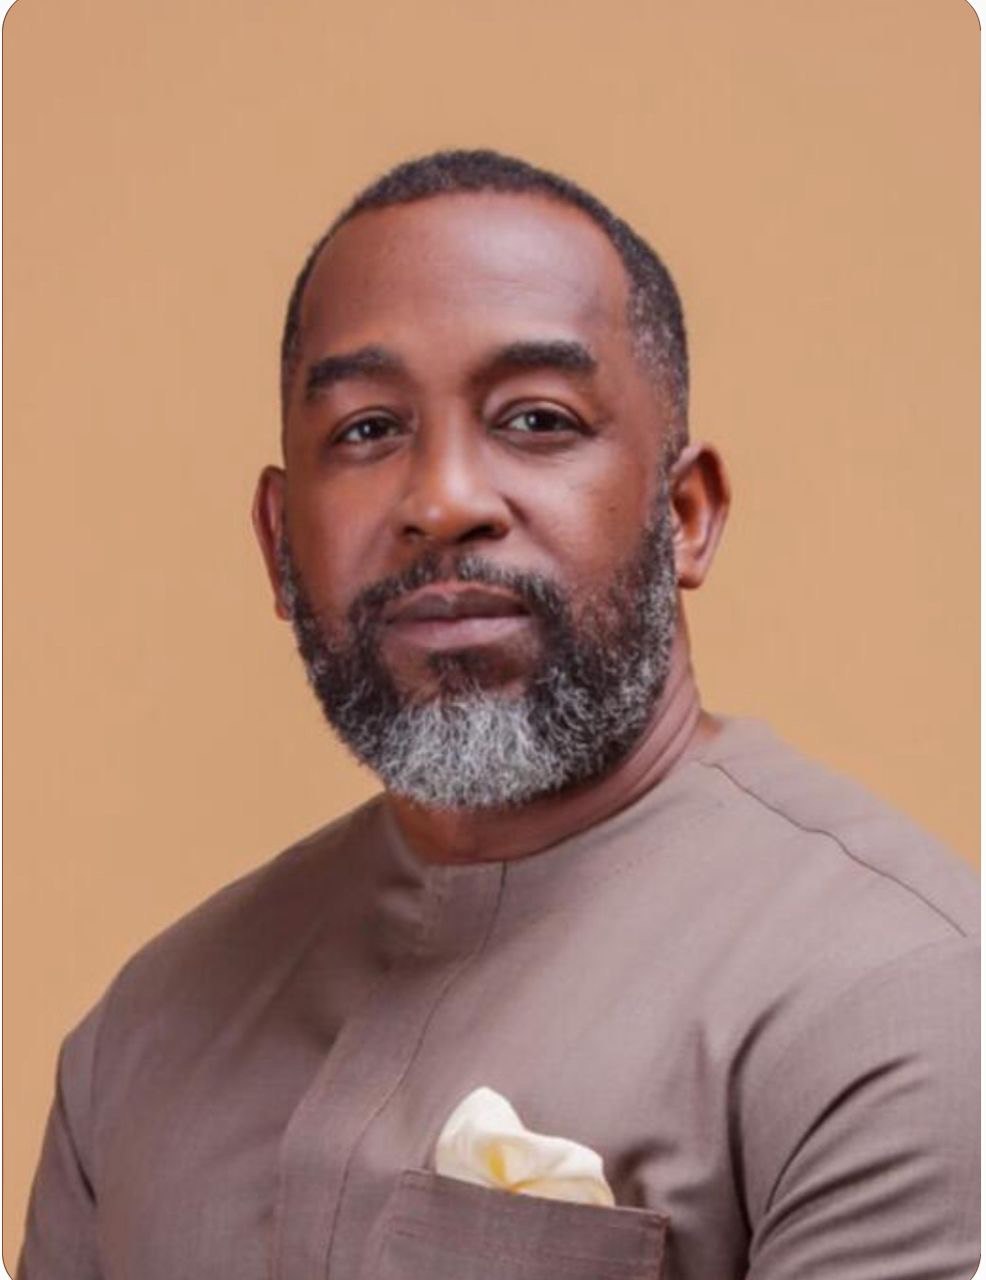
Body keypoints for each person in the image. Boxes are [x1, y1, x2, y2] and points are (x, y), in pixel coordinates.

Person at [19, 149, 978, 1280]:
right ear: (279, 545)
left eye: (534, 418)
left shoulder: (895, 1001)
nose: (442, 501)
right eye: (367, 430)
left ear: (683, 514)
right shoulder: (141, 1036)